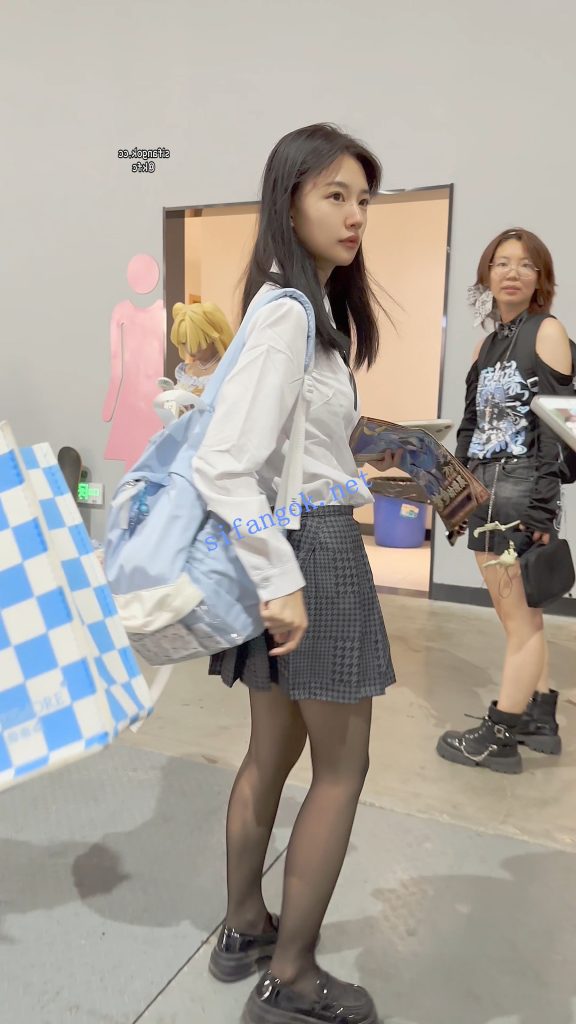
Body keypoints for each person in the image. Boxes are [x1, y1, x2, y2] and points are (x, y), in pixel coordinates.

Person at [191, 123, 398, 1024]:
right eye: (335, 195)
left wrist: (363, 470)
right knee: (342, 768)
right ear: (290, 202)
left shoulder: (297, 308)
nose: (354, 215)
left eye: (363, 199)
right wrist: (281, 580)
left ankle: (245, 929)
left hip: (287, 543)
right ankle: (295, 975)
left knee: (271, 753)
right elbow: (224, 465)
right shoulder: (287, 315)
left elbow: (285, 455)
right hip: (307, 555)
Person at [437, 228, 574, 775]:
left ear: (541, 278)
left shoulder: (547, 331)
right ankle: (539, 716)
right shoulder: (487, 345)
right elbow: (471, 424)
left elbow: (559, 427)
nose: (511, 272)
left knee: (520, 622)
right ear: (487, 275)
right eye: (501, 263)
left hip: (521, 487)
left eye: (525, 264)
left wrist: (541, 511)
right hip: (484, 487)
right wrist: (455, 486)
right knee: (520, 614)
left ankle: (500, 736)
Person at [169, 301, 233, 396]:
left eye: (195, 342)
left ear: (211, 337)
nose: (189, 349)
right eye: (184, 343)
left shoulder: (229, 369)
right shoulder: (184, 371)